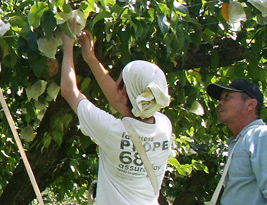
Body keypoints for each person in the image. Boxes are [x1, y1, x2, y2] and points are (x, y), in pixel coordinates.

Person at [60, 22, 172, 204]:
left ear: (123, 91)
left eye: (119, 82)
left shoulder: (112, 131)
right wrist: (90, 58)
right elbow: (121, 100)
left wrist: (67, 45)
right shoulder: (164, 126)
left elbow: (69, 90)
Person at [207, 79, 267, 205]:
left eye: (227, 97)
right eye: (220, 99)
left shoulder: (261, 136)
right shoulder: (240, 140)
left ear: (250, 104)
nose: (219, 103)